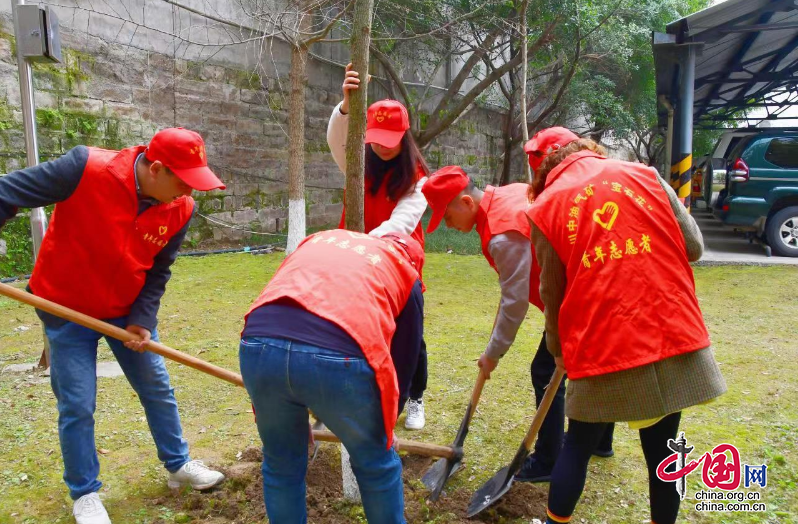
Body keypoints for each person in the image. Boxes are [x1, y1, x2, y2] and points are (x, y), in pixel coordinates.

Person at [0, 128, 227, 524]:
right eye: (184, 181)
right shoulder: (85, 168)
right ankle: (85, 494)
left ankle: (178, 465)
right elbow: (6, 191)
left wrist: (142, 320)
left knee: (157, 387)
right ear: (156, 169)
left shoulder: (181, 207)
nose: (190, 192)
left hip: (125, 310)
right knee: (78, 403)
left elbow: (158, 271)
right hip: (65, 306)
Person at [524, 129, 727, 524]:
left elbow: (552, 290)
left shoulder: (547, 207)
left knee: (578, 443)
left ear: (543, 169)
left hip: (602, 342)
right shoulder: (645, 176)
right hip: (669, 328)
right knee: (664, 450)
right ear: (587, 148)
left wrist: (559, 350)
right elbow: (695, 247)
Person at [421, 164, 614, 485]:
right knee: (584, 364)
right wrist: (490, 350)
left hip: (579, 293)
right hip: (584, 284)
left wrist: (493, 355)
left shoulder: (501, 234)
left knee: (545, 369)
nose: (448, 226)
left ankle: (548, 459)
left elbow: (515, 304)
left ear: (467, 202)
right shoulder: (506, 194)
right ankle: (601, 441)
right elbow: (511, 289)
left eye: (448, 217)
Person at [240, 229, 425, 524]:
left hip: (259, 343)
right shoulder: (406, 273)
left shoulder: (322, 238)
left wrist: (295, 406)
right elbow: (404, 361)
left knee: (281, 464)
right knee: (376, 463)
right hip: (338, 358)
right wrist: (387, 428)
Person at [327, 63, 430, 430]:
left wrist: (357, 246)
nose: (383, 149)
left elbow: (399, 225)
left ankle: (414, 397)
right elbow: (337, 141)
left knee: (408, 332)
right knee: (352, 324)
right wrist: (345, 106)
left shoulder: (418, 179)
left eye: (391, 141)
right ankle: (351, 391)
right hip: (355, 258)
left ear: (405, 136)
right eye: (376, 140)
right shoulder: (358, 163)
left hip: (397, 260)